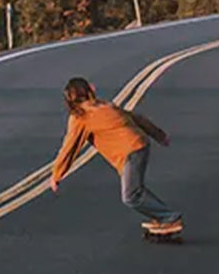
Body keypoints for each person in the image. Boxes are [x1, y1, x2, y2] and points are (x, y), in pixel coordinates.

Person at [49, 76, 182, 232]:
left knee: (131, 196)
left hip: (131, 151)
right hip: (140, 145)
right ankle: (162, 217)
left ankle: (169, 218)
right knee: (135, 190)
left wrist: (56, 175)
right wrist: (159, 135)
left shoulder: (80, 117)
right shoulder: (104, 105)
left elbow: (69, 147)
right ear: (89, 90)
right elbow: (135, 117)